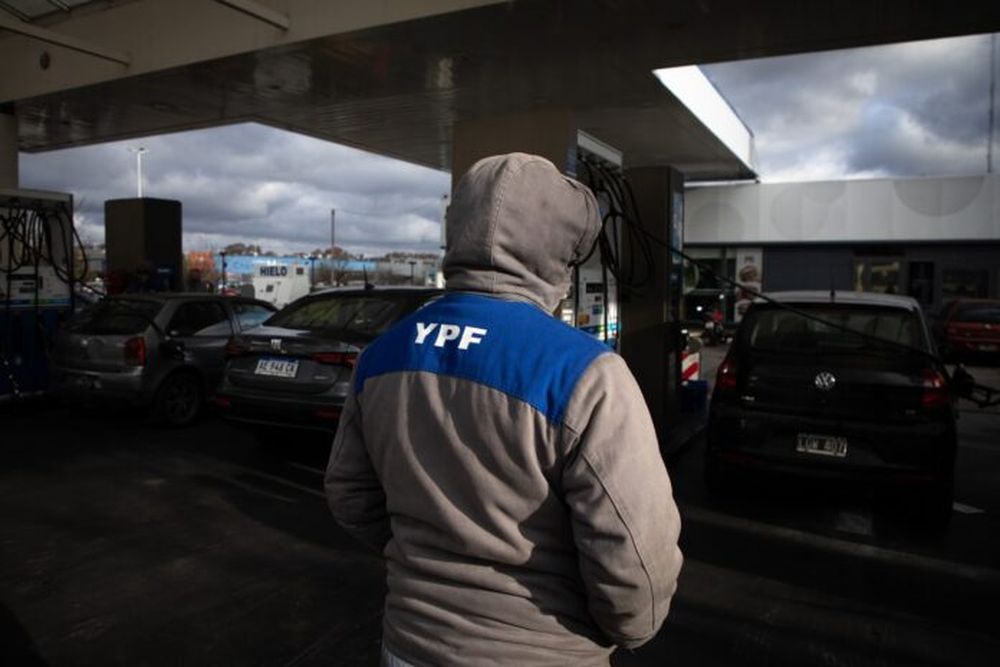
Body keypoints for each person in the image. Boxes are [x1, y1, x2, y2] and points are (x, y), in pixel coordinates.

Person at [325, 153, 683, 666]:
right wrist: (624, 629)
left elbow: (349, 496)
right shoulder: (588, 375)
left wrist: (425, 563)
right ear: (560, 249)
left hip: (409, 642)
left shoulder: (384, 353)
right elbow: (635, 567)